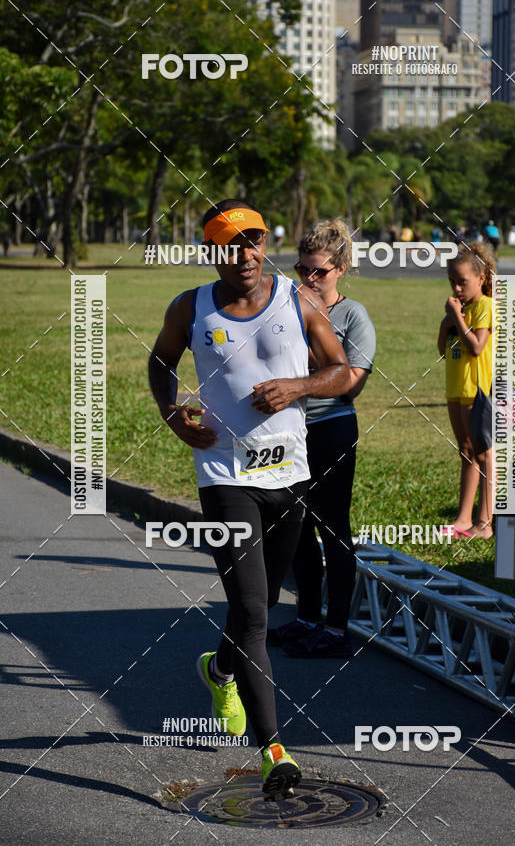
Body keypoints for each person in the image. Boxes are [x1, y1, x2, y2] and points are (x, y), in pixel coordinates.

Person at [148, 199, 350, 799]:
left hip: (289, 476)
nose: (244, 255)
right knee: (257, 612)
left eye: (253, 241)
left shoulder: (299, 299)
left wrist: (299, 387)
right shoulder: (191, 306)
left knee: (248, 610)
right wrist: (171, 414)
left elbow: (342, 371)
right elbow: (160, 361)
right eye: (230, 245)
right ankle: (274, 753)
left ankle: (220, 670)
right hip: (224, 476)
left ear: (266, 243)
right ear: (213, 251)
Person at [268, 219, 376, 657]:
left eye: (320, 272)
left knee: (333, 527)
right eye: (303, 269)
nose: (309, 279)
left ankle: (336, 630)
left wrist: (314, 358)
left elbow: (350, 383)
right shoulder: (286, 310)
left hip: (331, 428)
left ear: (342, 269)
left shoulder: (353, 316)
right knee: (296, 528)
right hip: (289, 429)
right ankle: (307, 617)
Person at [437, 242, 496, 540]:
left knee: (484, 455)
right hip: (456, 389)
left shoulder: (484, 305)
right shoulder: (460, 310)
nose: (457, 288)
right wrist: (448, 321)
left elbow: (476, 347)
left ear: (481, 278)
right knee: (466, 452)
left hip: (478, 391)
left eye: (462, 282)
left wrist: (457, 318)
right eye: (452, 282)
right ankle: (463, 518)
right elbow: (443, 350)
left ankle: (484, 523)